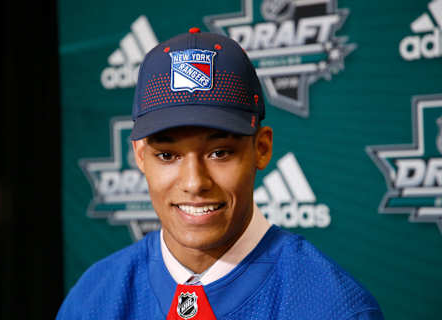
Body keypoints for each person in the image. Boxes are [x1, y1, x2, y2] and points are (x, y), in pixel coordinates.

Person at [57, 28, 384, 319]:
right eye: (167, 155)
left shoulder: (334, 307)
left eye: (219, 152)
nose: (194, 182)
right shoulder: (94, 298)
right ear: (141, 156)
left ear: (261, 149)